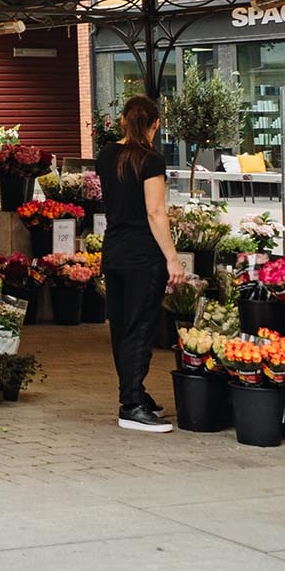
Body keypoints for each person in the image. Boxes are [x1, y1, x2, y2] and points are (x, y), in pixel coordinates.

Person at [98, 94, 187, 433]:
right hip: (143, 255)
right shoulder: (151, 160)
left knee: (121, 326)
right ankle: (131, 405)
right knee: (141, 328)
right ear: (156, 124)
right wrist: (173, 259)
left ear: (122, 121)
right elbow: (155, 212)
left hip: (115, 251)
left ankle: (135, 393)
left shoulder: (107, 155)